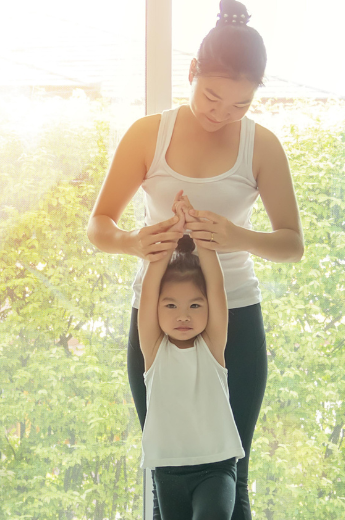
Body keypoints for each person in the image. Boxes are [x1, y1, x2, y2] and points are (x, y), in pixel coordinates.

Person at [86, 1, 303, 517]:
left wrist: (236, 235)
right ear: (191, 73)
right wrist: (133, 243)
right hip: (159, 318)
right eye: (211, 96)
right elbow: (99, 225)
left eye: (239, 104)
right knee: (168, 469)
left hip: (236, 317)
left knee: (234, 469)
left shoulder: (262, 146)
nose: (221, 113)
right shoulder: (148, 135)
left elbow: (291, 243)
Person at [138, 195, 243, 519]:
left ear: (207, 308)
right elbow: (148, 289)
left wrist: (198, 234)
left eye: (194, 306)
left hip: (216, 467)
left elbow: (216, 286)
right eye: (171, 306)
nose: (183, 316)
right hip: (168, 469)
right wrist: (171, 235)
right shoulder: (154, 351)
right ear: (157, 308)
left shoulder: (211, 347)